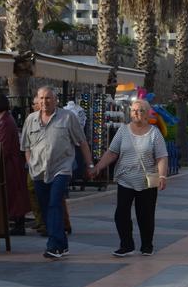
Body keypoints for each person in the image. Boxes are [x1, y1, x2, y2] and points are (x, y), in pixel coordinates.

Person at [21, 86, 94, 260]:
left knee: (54, 203)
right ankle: (62, 244)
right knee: (46, 207)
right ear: (37, 101)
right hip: (38, 170)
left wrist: (90, 164)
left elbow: (82, 142)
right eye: (41, 98)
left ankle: (53, 245)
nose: (44, 102)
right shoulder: (30, 119)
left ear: (55, 100)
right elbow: (26, 146)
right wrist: (31, 163)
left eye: (48, 98)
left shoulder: (68, 117)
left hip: (61, 168)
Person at [91, 99, 168, 257]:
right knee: (121, 213)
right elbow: (112, 152)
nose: (136, 113)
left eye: (140, 111)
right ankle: (126, 244)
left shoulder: (154, 133)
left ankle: (147, 244)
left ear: (147, 114)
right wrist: (98, 166)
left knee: (145, 214)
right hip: (125, 178)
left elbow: (162, 157)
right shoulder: (123, 131)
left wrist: (162, 176)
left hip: (148, 179)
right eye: (134, 110)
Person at [0, 95, 31, 235]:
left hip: (10, 164)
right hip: (11, 163)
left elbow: (4, 146)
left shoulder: (5, 122)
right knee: (15, 193)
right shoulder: (6, 120)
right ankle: (17, 223)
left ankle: (18, 224)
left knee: (13, 193)